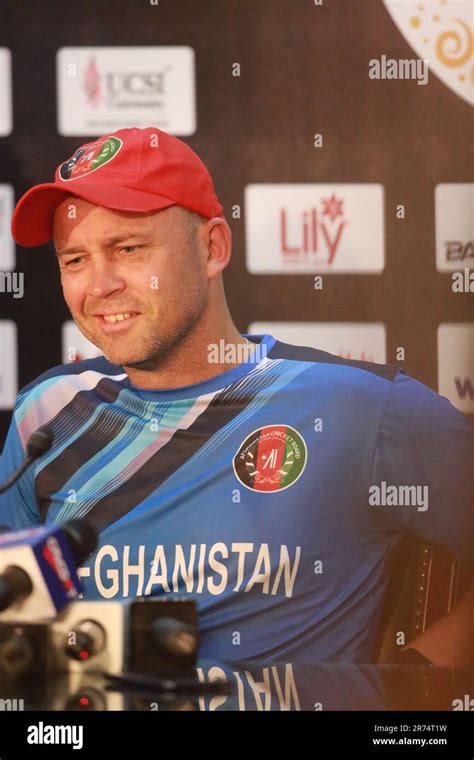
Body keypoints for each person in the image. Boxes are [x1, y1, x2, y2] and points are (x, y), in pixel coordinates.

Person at [0, 127, 472, 664]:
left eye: (128, 248)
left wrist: (409, 685)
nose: (99, 285)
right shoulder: (47, 413)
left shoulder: (358, 407)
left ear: (213, 248)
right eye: (75, 260)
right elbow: (18, 632)